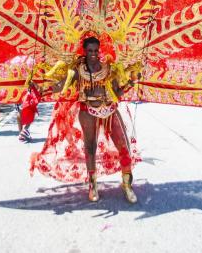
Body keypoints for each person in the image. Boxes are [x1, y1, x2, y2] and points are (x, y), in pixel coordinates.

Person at [30, 36, 139, 203]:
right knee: (90, 148)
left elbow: (117, 93)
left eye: (96, 50)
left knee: (123, 146)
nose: (93, 54)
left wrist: (131, 82)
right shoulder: (77, 70)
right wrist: (41, 91)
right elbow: (61, 85)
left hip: (109, 110)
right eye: (90, 51)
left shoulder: (109, 68)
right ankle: (93, 185)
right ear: (85, 51)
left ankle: (127, 184)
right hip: (87, 110)